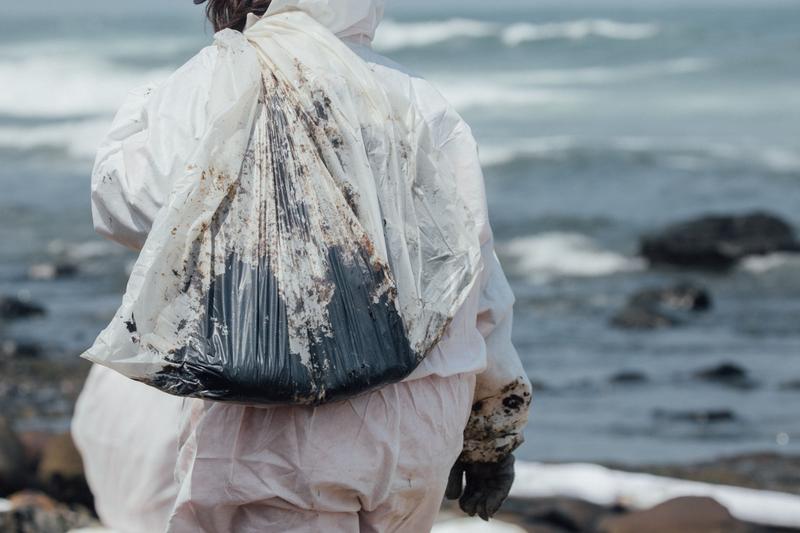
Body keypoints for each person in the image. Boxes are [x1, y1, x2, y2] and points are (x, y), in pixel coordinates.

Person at [71, 0, 532, 531]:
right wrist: (494, 429)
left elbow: (128, 205)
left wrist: (141, 112)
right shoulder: (419, 101)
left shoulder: (215, 79)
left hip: (285, 439)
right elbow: (474, 275)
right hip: (420, 428)